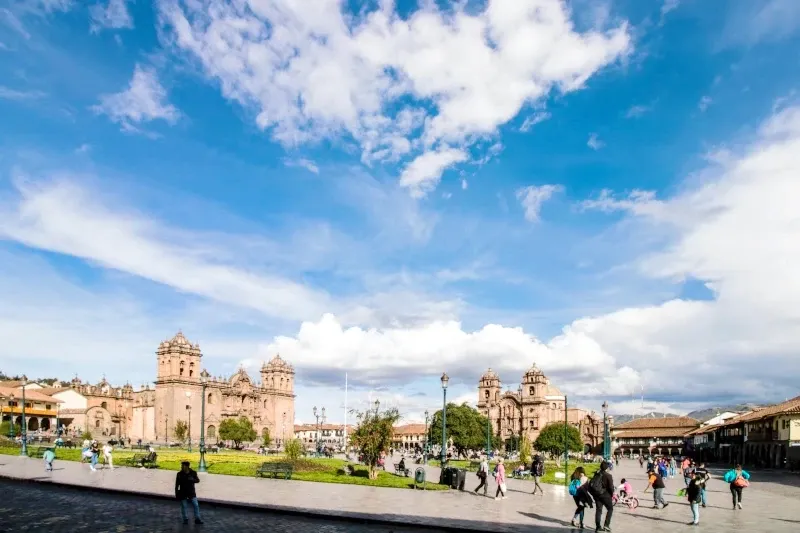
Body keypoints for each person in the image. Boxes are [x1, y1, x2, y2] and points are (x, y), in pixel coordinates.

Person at [589, 461, 614, 532]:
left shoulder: (597, 474)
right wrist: (611, 495)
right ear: (607, 468)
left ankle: (598, 527)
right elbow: (611, 488)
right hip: (605, 495)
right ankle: (606, 525)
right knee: (610, 509)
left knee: (598, 510)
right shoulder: (608, 476)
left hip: (597, 495)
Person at [175, 460, 203, 525]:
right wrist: (176, 493)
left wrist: (192, 480)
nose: (181, 467)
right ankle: (185, 519)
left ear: (187, 466)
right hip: (182, 492)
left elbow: (198, 480)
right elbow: (177, 485)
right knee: (184, 506)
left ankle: (197, 519)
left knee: (196, 505)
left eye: (183, 466)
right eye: (181, 466)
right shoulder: (179, 474)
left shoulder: (193, 473)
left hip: (191, 492)